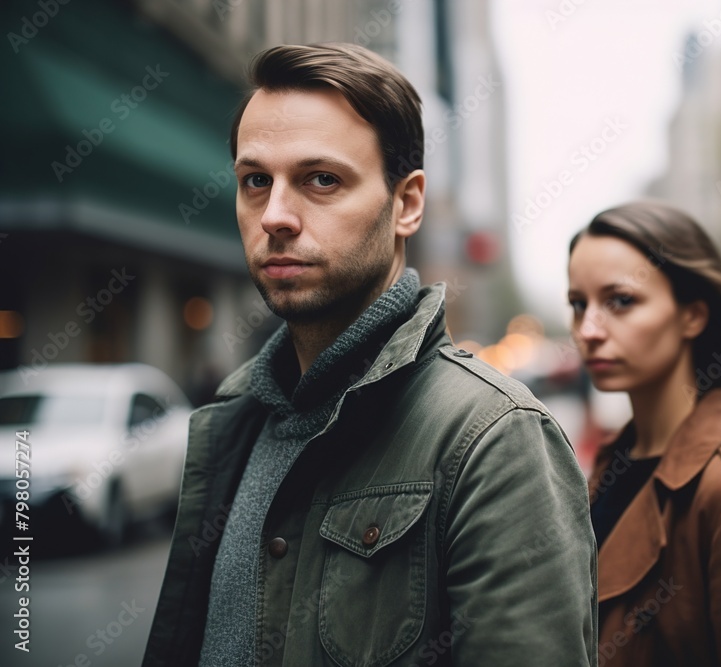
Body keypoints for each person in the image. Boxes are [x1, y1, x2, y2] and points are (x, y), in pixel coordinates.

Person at [143, 43, 597, 667]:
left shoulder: (495, 440)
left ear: (407, 203)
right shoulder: (232, 423)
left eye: (320, 180)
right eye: (255, 182)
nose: (275, 215)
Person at [567, 201, 721, 666]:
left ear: (693, 315)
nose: (588, 329)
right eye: (579, 304)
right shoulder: (614, 460)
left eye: (620, 300)